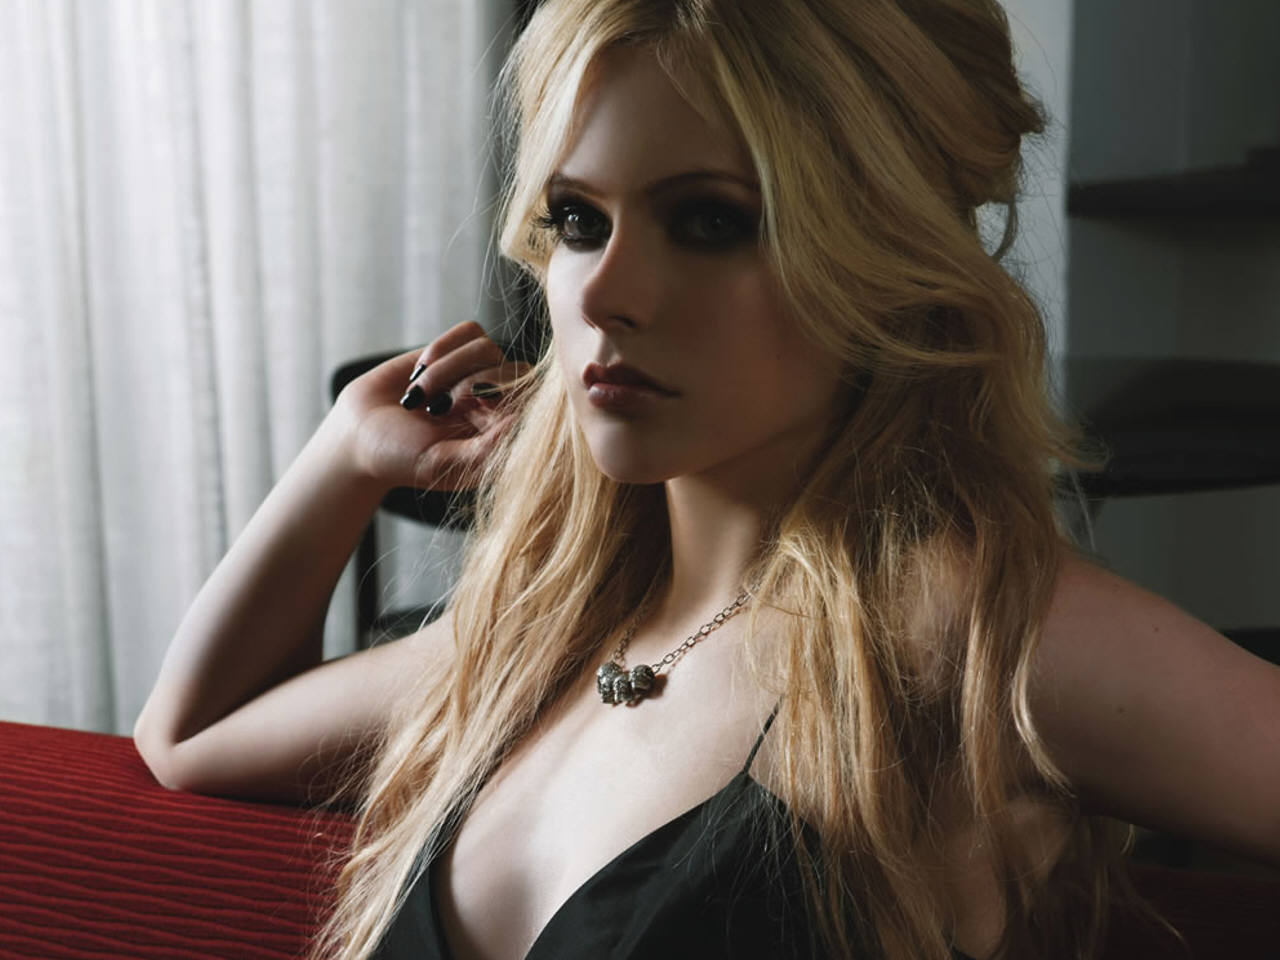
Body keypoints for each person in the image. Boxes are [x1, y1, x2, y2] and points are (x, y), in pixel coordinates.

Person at [133, 0, 1280, 958]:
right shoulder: (539, 640)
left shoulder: (969, 639)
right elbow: (193, 735)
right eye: (576, 219)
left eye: (708, 222)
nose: (603, 293)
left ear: (880, 256)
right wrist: (342, 454)